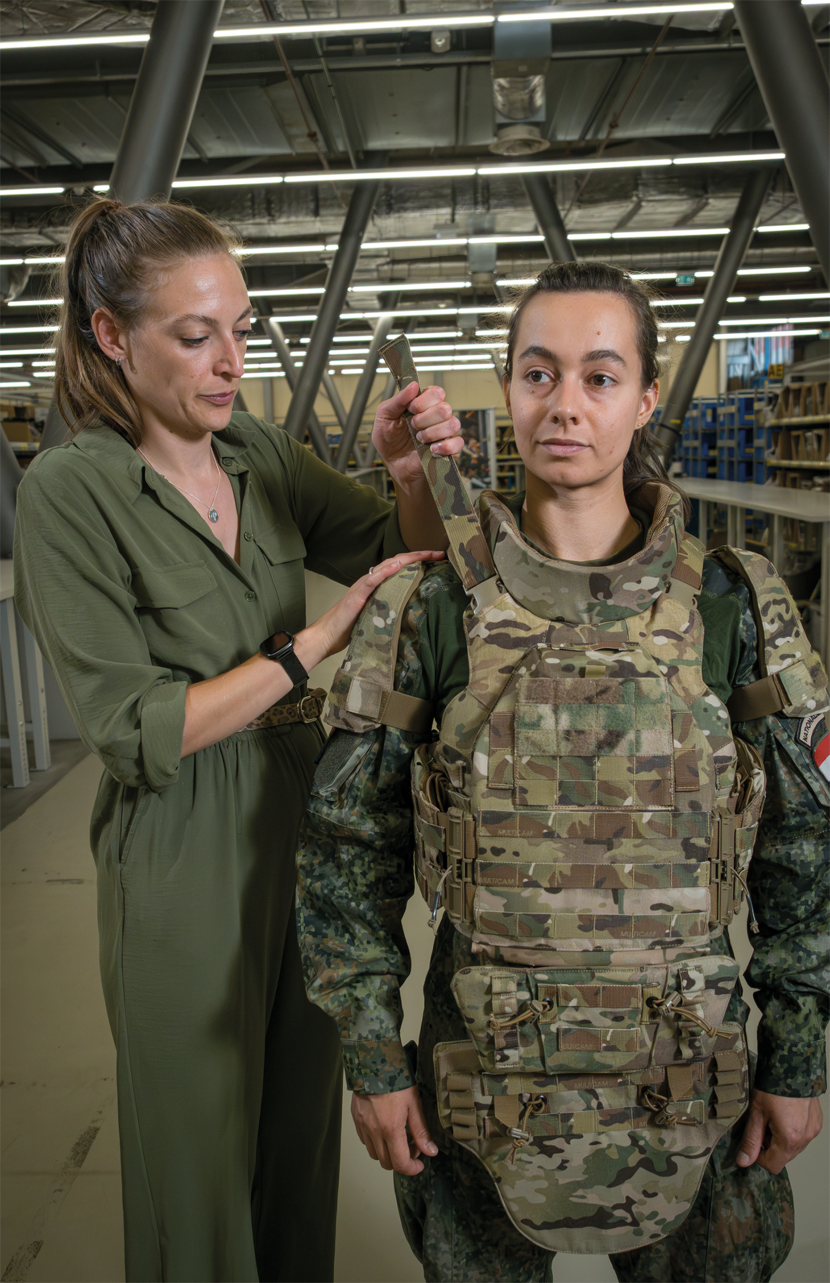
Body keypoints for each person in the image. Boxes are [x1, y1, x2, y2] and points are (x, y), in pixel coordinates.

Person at [297, 261, 828, 1283]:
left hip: (692, 1060)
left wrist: (797, 1052)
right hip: (479, 1063)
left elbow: (803, 852)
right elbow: (345, 851)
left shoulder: (733, 604)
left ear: (641, 397)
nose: (565, 405)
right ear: (507, 391)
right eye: (538, 374)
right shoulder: (429, 610)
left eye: (597, 375)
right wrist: (372, 1053)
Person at [13, 197, 466, 1283]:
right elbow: (132, 730)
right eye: (194, 333)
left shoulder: (256, 448)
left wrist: (408, 475)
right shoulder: (70, 493)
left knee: (297, 1142)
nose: (228, 361)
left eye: (243, 327)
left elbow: (406, 552)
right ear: (110, 336)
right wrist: (308, 648)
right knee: (197, 1155)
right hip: (179, 839)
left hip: (300, 819)